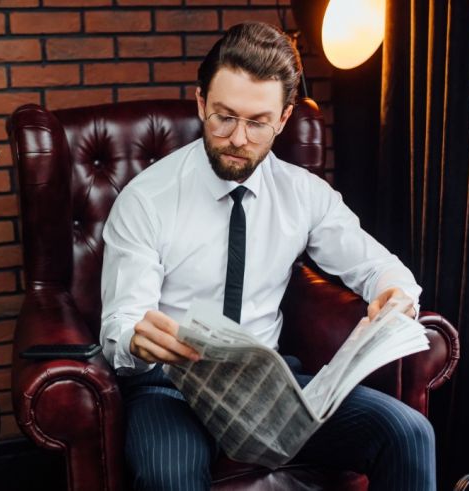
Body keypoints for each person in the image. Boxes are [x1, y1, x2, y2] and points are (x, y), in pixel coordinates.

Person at [99, 21, 435, 491]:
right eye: (224, 116)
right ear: (201, 103)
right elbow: (120, 322)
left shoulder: (304, 194)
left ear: (282, 118)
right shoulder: (146, 199)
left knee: (408, 432)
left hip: (269, 390)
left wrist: (393, 292)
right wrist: (136, 338)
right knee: (166, 473)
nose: (238, 138)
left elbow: (380, 266)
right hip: (171, 387)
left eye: (257, 122)